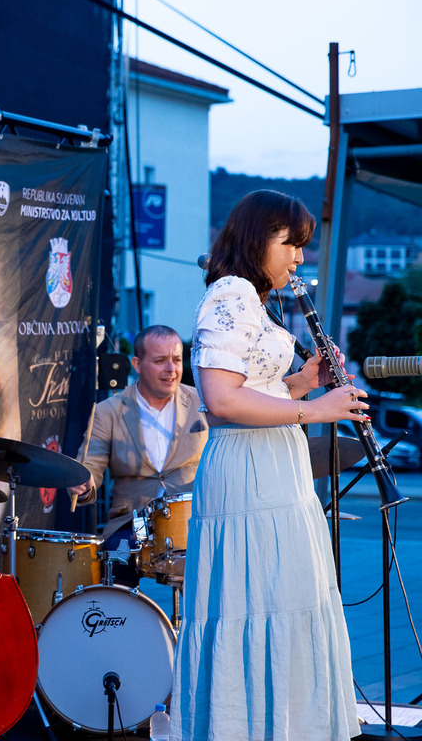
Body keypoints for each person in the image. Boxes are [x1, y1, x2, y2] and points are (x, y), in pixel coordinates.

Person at [170, 190, 361, 740]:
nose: (299, 258)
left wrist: (303, 382)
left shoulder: (252, 301)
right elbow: (221, 399)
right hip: (250, 471)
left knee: (285, 599)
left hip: (274, 467)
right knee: (262, 600)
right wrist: (316, 410)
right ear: (258, 240)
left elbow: (255, 389)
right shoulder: (229, 294)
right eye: (290, 244)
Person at [70, 325, 207, 585]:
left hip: (191, 520)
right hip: (131, 523)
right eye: (160, 361)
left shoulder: (202, 403)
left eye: (177, 360)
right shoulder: (108, 411)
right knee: (116, 561)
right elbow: (90, 464)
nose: (171, 369)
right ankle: (123, 612)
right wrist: (84, 483)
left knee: (215, 565)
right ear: (137, 364)